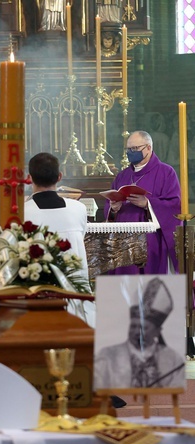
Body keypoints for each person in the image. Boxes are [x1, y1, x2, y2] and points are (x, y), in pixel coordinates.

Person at [24, 152, 93, 324]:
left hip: (38, 291)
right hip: (74, 289)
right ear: (60, 176)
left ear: (29, 178)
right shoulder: (78, 208)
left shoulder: (23, 212)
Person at [105, 130, 181, 274]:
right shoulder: (123, 175)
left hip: (152, 241)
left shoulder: (166, 172)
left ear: (148, 148)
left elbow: (174, 205)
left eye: (135, 148)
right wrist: (113, 208)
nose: (130, 152)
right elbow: (110, 205)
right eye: (128, 149)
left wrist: (148, 204)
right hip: (123, 242)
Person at [94, 277, 185, 389]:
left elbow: (176, 385)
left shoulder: (173, 359)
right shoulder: (107, 355)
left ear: (158, 331)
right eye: (133, 326)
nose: (137, 332)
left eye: (143, 328)